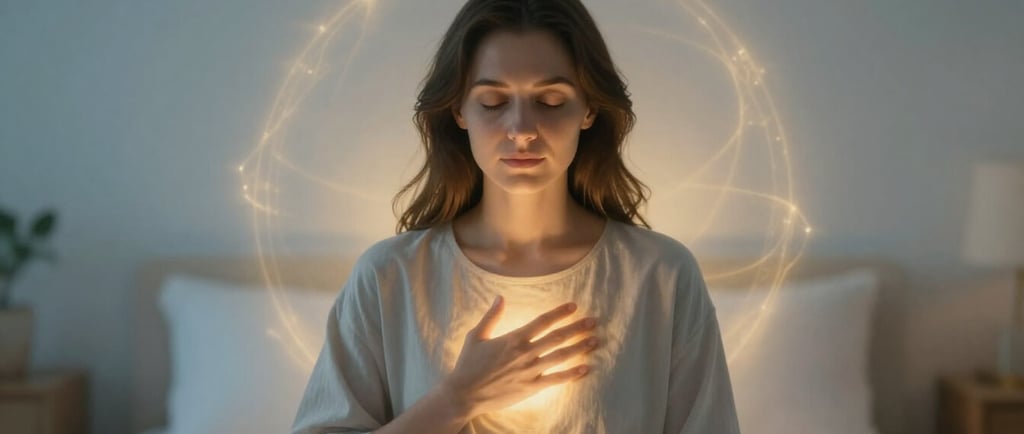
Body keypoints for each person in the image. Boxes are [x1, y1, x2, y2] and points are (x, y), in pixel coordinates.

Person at [292, 0, 740, 432]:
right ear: (458, 110)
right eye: (492, 102)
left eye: (549, 101)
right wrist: (456, 400)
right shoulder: (390, 277)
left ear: (588, 109)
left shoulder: (661, 276)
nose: (522, 130)